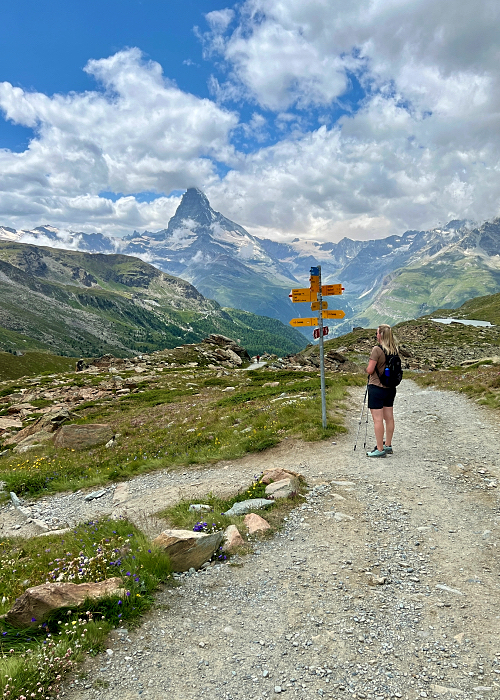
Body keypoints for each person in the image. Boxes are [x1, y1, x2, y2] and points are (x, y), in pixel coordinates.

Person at [365, 324, 398, 458]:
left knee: (377, 419)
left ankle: (379, 449)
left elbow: (370, 370)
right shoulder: (394, 349)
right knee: (389, 417)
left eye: (377, 333)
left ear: (381, 335)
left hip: (377, 387)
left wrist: (366, 369)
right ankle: (388, 445)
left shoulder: (376, 350)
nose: (376, 335)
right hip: (390, 388)